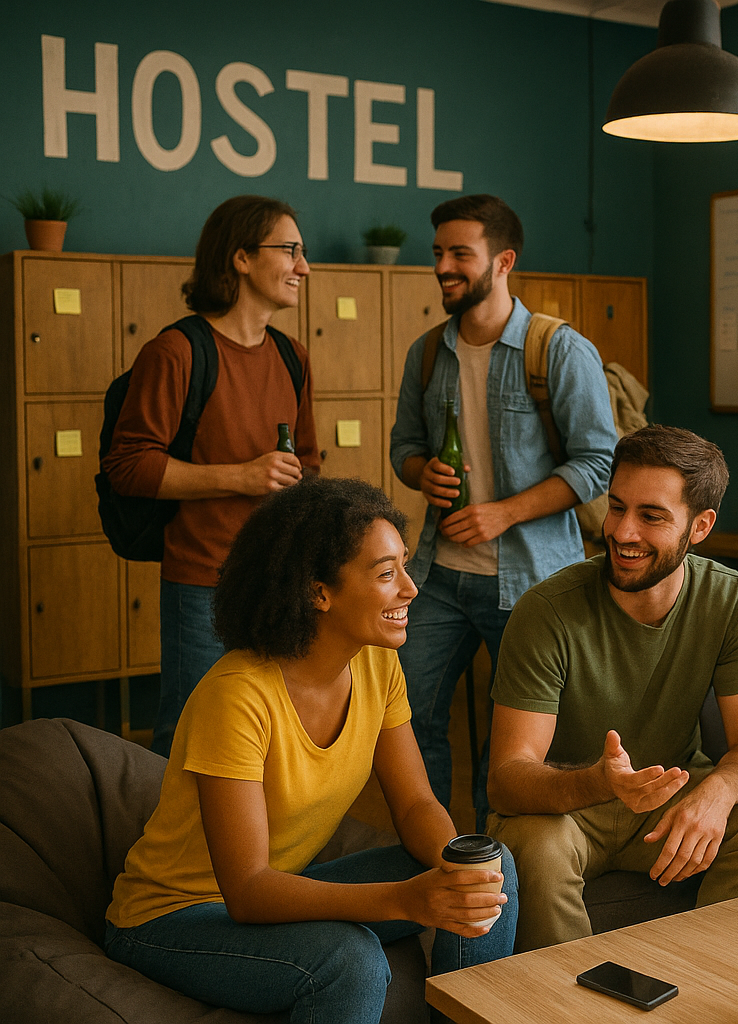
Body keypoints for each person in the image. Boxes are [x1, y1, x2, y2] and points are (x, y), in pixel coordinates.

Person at [103, 477, 518, 1023]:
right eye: (386, 574)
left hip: (280, 891)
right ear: (319, 592)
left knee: (490, 865)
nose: (411, 589)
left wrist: (454, 872)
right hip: (174, 917)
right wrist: (409, 900)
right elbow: (248, 890)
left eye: (405, 565)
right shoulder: (238, 697)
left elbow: (416, 803)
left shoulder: (375, 663)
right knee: (351, 962)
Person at [484, 424, 738, 951]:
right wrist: (599, 783)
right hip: (564, 808)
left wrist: (717, 794)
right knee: (535, 846)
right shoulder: (545, 612)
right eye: (617, 507)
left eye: (651, 516)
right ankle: (570, 1003)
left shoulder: (729, 599)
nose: (623, 532)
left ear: (699, 526)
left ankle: (701, 979)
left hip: (668, 796)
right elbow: (507, 780)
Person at [389, 194, 617, 826]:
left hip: (532, 581)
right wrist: (422, 472)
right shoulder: (427, 353)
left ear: (503, 260)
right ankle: (433, 848)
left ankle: (499, 862)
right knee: (407, 715)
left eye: (461, 253)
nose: (444, 266)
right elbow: (402, 448)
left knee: (515, 736)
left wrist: (505, 512)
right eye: (438, 253)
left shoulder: (559, 350)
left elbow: (600, 463)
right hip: (437, 576)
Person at [103, 195, 321, 756]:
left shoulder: (293, 355)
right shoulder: (176, 352)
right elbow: (128, 466)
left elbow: (311, 464)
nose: (304, 266)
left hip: (277, 580)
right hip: (202, 581)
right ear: (242, 257)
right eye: (290, 250)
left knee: (266, 737)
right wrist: (242, 477)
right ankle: (165, 845)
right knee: (190, 735)